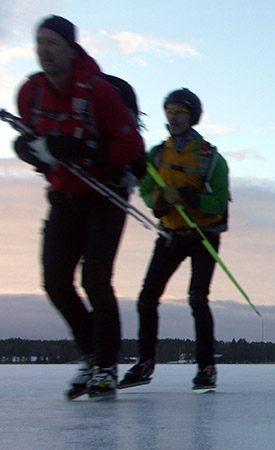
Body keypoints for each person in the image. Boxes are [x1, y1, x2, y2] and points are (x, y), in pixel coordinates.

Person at [13, 16, 145, 399]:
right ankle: (91, 355)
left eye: (53, 42)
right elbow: (37, 144)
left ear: (71, 49)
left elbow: (131, 149)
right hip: (64, 196)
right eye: (40, 42)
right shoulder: (30, 93)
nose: (44, 49)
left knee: (95, 280)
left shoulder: (98, 92)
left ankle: (106, 364)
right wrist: (29, 152)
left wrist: (83, 149)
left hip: (106, 195)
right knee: (55, 281)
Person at [120, 88, 229, 391]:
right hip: (170, 235)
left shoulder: (210, 158)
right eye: (169, 111)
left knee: (197, 299)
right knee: (146, 299)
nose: (173, 117)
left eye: (179, 112)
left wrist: (186, 195)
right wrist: (158, 201)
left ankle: (206, 367)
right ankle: (144, 363)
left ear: (192, 116)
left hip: (203, 236)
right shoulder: (157, 154)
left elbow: (218, 204)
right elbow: (144, 188)